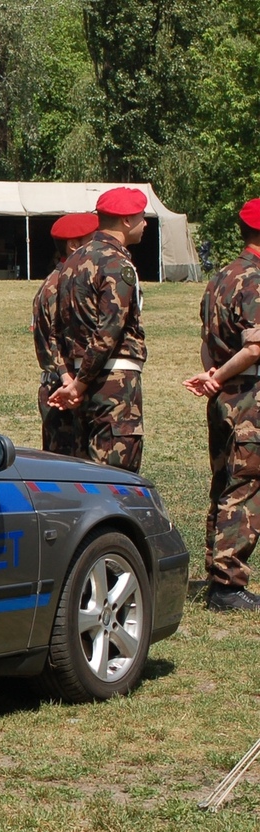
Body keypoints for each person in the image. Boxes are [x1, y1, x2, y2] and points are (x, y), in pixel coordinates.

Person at [181, 198, 260, 611]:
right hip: (249, 397)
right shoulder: (255, 279)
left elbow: (206, 339)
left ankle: (217, 571)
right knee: (245, 484)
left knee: (224, 482)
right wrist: (222, 377)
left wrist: (212, 378)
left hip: (224, 399)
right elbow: (255, 348)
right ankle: (228, 585)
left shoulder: (221, 277)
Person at [47, 186, 149, 473]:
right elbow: (109, 332)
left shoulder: (73, 262)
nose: (145, 224)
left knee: (86, 474)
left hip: (81, 378)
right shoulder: (116, 262)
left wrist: (73, 380)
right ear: (126, 221)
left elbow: (58, 330)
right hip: (112, 380)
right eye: (142, 217)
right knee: (116, 476)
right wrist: (79, 383)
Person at [32, 212, 99, 456]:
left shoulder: (63, 279)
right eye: (93, 240)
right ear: (74, 245)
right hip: (63, 391)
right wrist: (68, 381)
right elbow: (54, 340)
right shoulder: (61, 283)